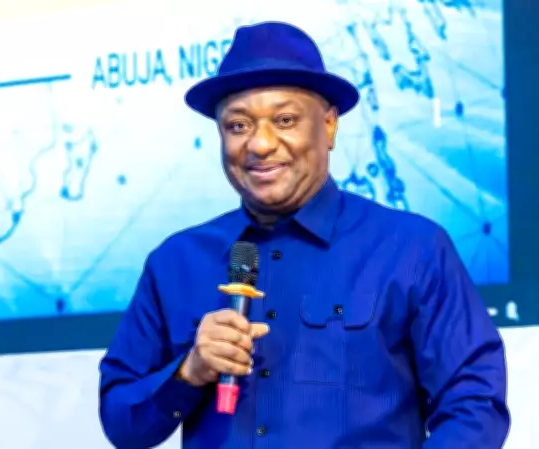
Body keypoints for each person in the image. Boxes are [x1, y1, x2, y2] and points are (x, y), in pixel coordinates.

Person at [98, 21, 510, 449]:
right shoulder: (175, 262)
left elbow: (474, 405)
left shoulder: (413, 248)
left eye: (285, 120)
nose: (260, 145)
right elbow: (122, 424)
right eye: (238, 126)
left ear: (329, 125)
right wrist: (189, 371)